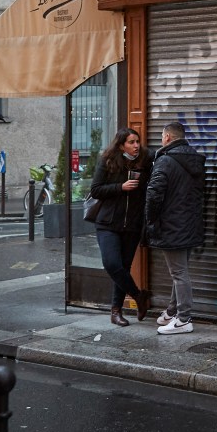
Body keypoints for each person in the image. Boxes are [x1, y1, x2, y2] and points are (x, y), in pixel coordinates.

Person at [145, 122, 207, 335]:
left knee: (179, 272)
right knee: (178, 271)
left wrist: (151, 221)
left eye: (162, 137)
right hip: (190, 224)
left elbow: (154, 194)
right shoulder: (194, 158)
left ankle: (183, 319)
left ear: (168, 137)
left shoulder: (165, 161)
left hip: (172, 224)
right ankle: (172, 312)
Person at [89, 127, 153, 326]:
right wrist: (120, 187)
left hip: (132, 225)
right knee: (112, 264)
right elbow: (96, 190)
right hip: (108, 223)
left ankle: (116, 311)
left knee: (123, 267)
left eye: (137, 141)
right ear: (120, 145)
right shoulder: (108, 161)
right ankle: (138, 296)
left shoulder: (145, 161)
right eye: (131, 142)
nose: (136, 146)